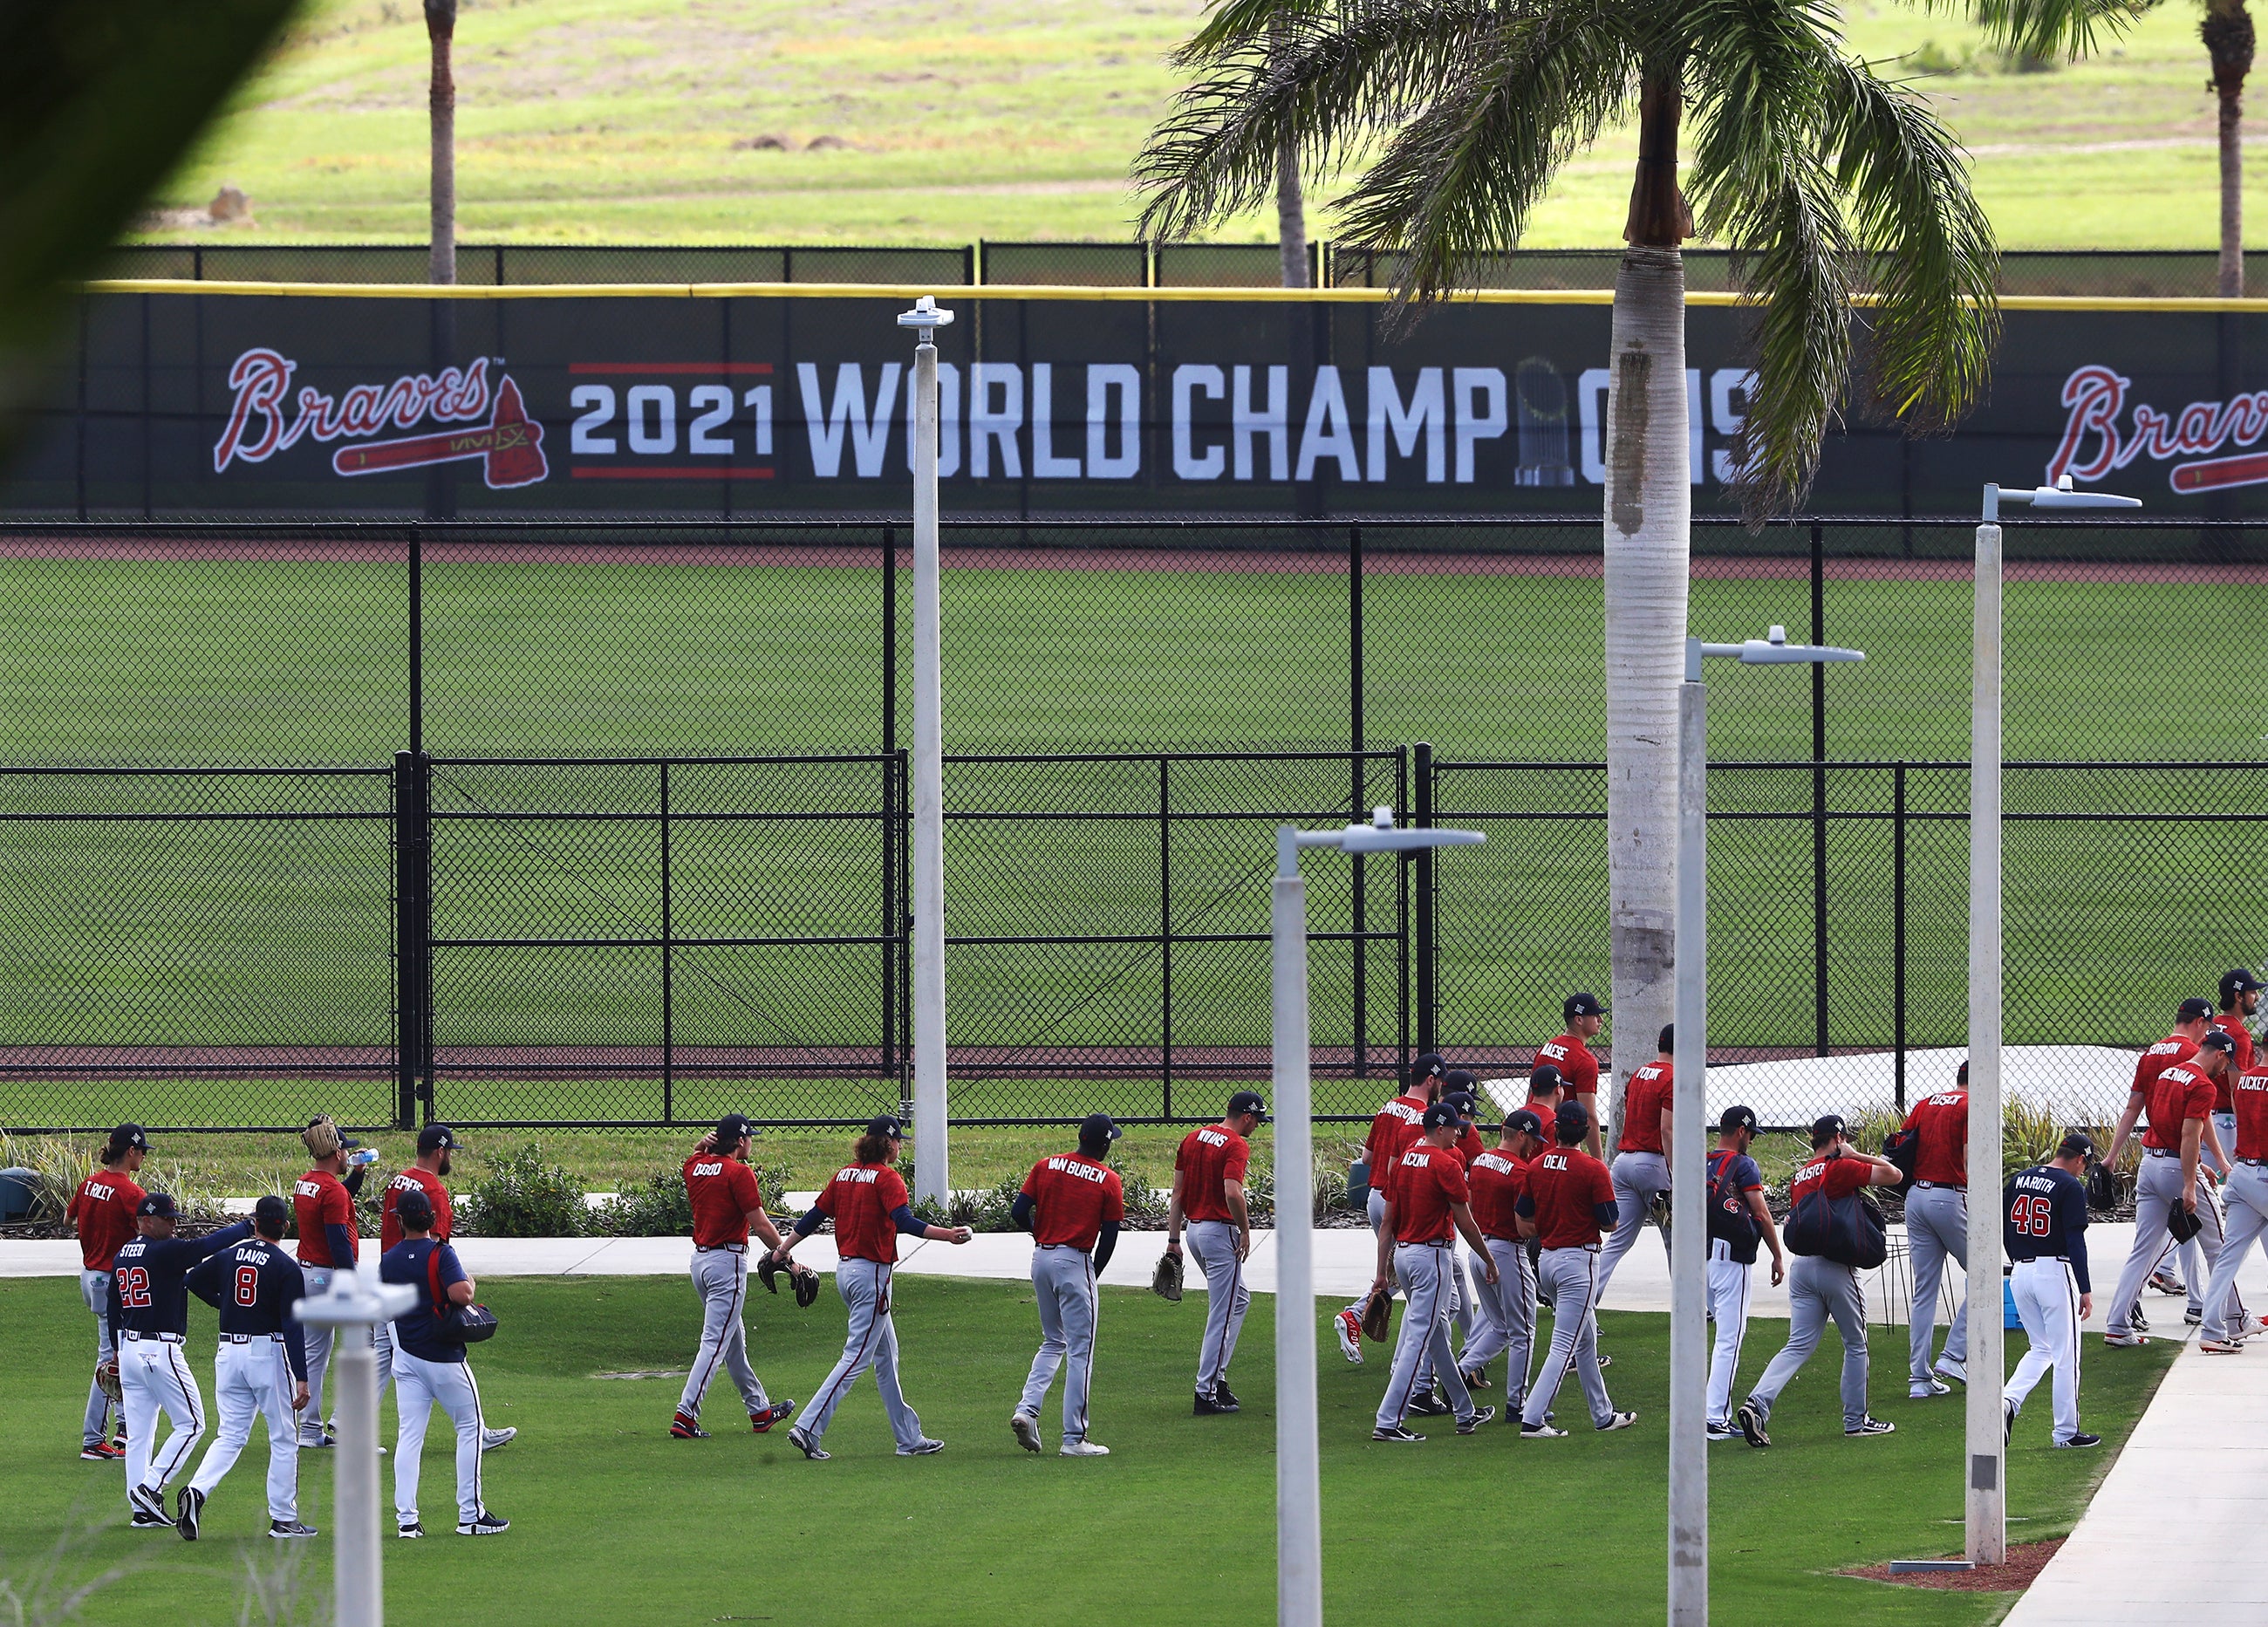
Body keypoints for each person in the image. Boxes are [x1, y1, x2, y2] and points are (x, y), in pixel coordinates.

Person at [771, 1115, 973, 1460]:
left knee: (886, 1355)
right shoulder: (887, 1178)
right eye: (898, 1141)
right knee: (855, 1358)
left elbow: (813, 1217)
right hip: (872, 1278)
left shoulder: (845, 1174)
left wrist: (783, 1249)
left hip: (847, 1273)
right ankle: (808, 1428)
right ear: (888, 1143)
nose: (900, 1146)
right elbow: (905, 1222)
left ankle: (909, 1437)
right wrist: (948, 1235)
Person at [1735, 1116, 1903, 1446]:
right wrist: (1855, 1155)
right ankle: (1857, 1421)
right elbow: (1894, 1175)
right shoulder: (1839, 1167)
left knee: (1797, 1345)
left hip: (1803, 1269)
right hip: (1835, 1269)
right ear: (1838, 1138)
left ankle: (1757, 1403)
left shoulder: (1801, 1174)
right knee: (1856, 1344)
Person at [107, 1195, 254, 1528]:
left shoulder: (123, 1254)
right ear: (145, 1221)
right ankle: (151, 1487)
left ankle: (141, 1510)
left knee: (140, 1434)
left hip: (130, 1351)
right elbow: (207, 1245)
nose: (174, 1224)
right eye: (167, 1219)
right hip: (158, 1351)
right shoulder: (164, 1252)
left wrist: (117, 1350)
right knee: (192, 1424)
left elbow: (113, 1307)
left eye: (175, 1218)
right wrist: (246, 1227)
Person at [179, 1195, 315, 1540]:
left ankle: (196, 1491)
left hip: (228, 1353)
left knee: (230, 1435)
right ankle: (284, 1518)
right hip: (267, 1355)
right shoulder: (286, 1267)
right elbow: (292, 1324)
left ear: (255, 1222)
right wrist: (302, 1376)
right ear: (284, 1227)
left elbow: (192, 1279)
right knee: (284, 1438)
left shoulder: (231, 1254)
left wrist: (224, 1303)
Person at [373, 1125, 515, 1452]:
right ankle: (475, 1431)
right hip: (419, 1293)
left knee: (382, 1354)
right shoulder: (433, 1191)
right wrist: (456, 1283)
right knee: (429, 1360)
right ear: (440, 1152)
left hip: (389, 1278)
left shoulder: (399, 1181)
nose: (450, 1156)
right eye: (450, 1150)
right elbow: (432, 1248)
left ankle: (347, 1421)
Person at [1368, 1101, 1499, 1442]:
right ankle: (1387, 1420)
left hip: (1404, 1257)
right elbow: (1466, 1222)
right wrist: (1489, 1258)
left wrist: (1382, 1271)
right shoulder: (1444, 1164)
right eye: (1455, 1127)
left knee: (1437, 1334)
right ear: (1439, 1128)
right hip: (1431, 1260)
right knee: (1419, 1338)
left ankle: (1465, 1411)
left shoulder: (1406, 1159)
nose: (1460, 1132)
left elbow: (1387, 1223)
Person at [381, 1188, 508, 1537]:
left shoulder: (389, 1259)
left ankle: (407, 1521)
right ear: (431, 1220)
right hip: (444, 1357)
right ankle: (470, 1515)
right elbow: (462, 1294)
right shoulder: (441, 1252)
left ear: (400, 1220)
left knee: (409, 1437)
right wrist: (470, 1282)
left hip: (406, 1357)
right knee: (470, 1428)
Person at [2104, 1028, 2238, 1346]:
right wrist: (2191, 1182)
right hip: (2176, 1171)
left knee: (2143, 1251)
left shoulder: (2168, 1074)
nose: (2225, 1069)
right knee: (2218, 1246)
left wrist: (2199, 1164)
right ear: (2219, 1054)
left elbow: (2162, 1123)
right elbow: (2190, 1135)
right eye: (2227, 1062)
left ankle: (2117, 1325)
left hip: (2149, 1165)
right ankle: (2231, 1322)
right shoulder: (2203, 1085)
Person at [670, 1114, 797, 1440]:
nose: (752, 1141)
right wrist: (788, 1258)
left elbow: (695, 1154)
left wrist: (702, 1145)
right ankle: (685, 1415)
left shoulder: (694, 1167)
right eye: (749, 1136)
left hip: (700, 1264)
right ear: (740, 1141)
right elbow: (761, 1225)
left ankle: (760, 1411)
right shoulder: (739, 1173)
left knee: (733, 1342)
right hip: (727, 1265)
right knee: (714, 1343)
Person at [1515, 1101, 1634, 1438]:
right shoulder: (1593, 1168)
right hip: (1577, 1264)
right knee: (1564, 1346)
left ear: (1555, 1130)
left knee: (1585, 1343)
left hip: (1547, 1261)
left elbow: (1524, 1215)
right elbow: (1610, 1223)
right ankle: (1533, 1418)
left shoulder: (1537, 1166)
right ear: (1584, 1130)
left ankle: (1603, 1414)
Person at [1010, 1112, 1125, 1458]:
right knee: (1080, 1350)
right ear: (1103, 1144)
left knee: (1053, 1340)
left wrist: (1042, 1233)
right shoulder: (1108, 1179)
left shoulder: (1046, 1165)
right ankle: (1074, 1438)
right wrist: (1092, 1273)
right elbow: (1109, 1238)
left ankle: (1027, 1411)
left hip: (1040, 1259)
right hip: (1074, 1263)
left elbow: (1018, 1212)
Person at [1334, 1056, 1445, 1364]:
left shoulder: (1388, 1106)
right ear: (1432, 1081)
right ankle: (1359, 1318)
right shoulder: (1425, 1115)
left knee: (1403, 1274)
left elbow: (1367, 1157)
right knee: (1419, 1278)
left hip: (1376, 1197)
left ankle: (1417, 1357)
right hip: (1401, 1201)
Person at [1166, 1090, 1267, 1415]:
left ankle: (1217, 1379)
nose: (1257, 1127)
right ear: (1247, 1117)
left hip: (1194, 1232)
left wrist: (1173, 1239)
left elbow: (1178, 1193)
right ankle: (1206, 1391)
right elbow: (1232, 1191)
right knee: (1221, 1313)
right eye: (1257, 1120)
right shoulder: (1237, 1144)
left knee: (1238, 1300)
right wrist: (1246, 1229)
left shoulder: (1194, 1137)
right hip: (1219, 1232)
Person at [2002, 1134, 2100, 1447]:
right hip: (2055, 1273)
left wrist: (2017, 1261)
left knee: (2041, 1348)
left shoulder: (2018, 1179)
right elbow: (2075, 1241)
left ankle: (2006, 1402)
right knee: (2065, 1355)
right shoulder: (2070, 1186)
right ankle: (2066, 1432)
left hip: (2021, 1271)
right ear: (2080, 1159)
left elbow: (2005, 1229)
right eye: (2085, 1166)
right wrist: (2085, 1287)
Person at [2122, 997, 2215, 1304]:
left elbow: (2133, 1106)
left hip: (2151, 1155)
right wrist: (2218, 1161)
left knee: (2147, 1242)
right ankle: (2198, 1303)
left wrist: (2111, 1156)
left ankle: (2125, 1312)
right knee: (2192, 1229)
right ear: (2199, 1023)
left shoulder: (2151, 1053)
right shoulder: (2193, 1054)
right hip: (2178, 1157)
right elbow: (2198, 1121)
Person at [1702, 1107, 1784, 1441]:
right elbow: (1761, 1213)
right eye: (1750, 1134)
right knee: (1729, 1341)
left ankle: (1707, 1412)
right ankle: (1714, 1419)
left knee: (1714, 1339)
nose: (1751, 1140)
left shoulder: (1703, 1160)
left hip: (1700, 1259)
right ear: (1740, 1131)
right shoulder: (1743, 1164)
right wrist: (1778, 1256)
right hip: (1731, 1261)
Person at [1458, 1107, 1545, 1419]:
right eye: (1533, 1138)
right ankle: (1517, 1405)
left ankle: (1459, 1372)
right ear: (1520, 1135)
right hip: (1507, 1254)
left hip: (1478, 1252)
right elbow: (1524, 1225)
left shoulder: (1480, 1161)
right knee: (1523, 1332)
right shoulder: (1521, 1171)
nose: (1535, 1145)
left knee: (1501, 1327)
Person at [67, 1123, 147, 1461]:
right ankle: (92, 1439)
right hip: (113, 1282)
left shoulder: (89, 1184)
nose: (144, 1156)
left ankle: (125, 1429)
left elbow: (70, 1220)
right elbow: (151, 1234)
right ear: (130, 1151)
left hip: (90, 1274)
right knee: (111, 1359)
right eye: (142, 1150)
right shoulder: (131, 1193)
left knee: (122, 1353)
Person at [291, 1115, 371, 1449]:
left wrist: (357, 1176)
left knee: (314, 1355)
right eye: (345, 1150)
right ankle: (344, 1418)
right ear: (336, 1152)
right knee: (372, 1342)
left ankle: (309, 1430)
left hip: (308, 1274)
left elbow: (337, 1197)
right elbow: (338, 1239)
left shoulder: (306, 1182)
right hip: (329, 1276)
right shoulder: (332, 1192)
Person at [1900, 1060, 1973, 1399]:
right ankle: (1954, 1355)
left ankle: (1919, 1379)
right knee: (1987, 1276)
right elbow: (1970, 1159)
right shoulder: (1973, 1105)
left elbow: (1900, 1145)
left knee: (1924, 1290)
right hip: (1948, 1197)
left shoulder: (1926, 1102)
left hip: (1915, 1198)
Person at [1596, 1025, 1674, 1302]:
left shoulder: (1641, 1073)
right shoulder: (1674, 1077)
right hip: (1652, 1167)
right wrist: (1675, 1173)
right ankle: (1693, 1307)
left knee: (1616, 1242)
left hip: (1624, 1164)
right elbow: (1667, 1130)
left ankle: (1584, 1302)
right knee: (1675, 1242)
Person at [2201, 1058, 2268, 1352]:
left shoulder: (2244, 1081)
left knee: (2227, 1258)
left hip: (2242, 1173)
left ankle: (2212, 1331)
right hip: (2265, 1175)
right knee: (2228, 1257)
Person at [1537, 994, 1607, 1160]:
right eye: (1595, 1015)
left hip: (1535, 1131)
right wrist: (1599, 1161)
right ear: (1579, 1020)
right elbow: (1589, 1116)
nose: (1601, 1020)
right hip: (1562, 1141)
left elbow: (1531, 1095)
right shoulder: (1585, 1060)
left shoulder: (1547, 1048)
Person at [2211, 970, 2262, 1180]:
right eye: (2252, 992)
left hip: (2205, 1117)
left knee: (2208, 1183)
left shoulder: (2211, 1025)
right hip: (2228, 1122)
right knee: (2231, 1183)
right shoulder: (2239, 1035)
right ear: (2238, 996)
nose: (2257, 997)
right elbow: (2237, 1088)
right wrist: (2246, 1130)